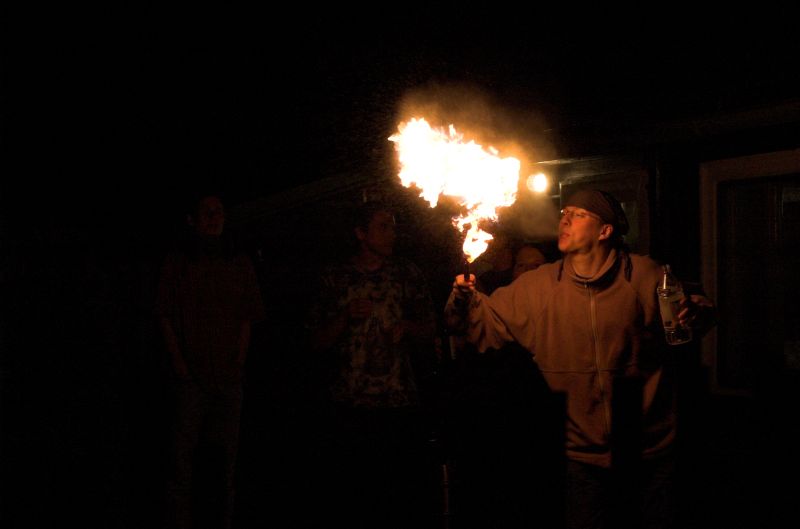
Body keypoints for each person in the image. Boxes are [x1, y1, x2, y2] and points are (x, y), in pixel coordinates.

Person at [445, 189, 716, 529]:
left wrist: (698, 311)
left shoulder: (643, 275)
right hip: (581, 452)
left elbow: (691, 312)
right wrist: (462, 299)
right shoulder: (538, 287)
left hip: (646, 445)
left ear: (605, 231)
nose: (565, 219)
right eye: (564, 212)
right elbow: (477, 324)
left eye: (578, 214)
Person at [306, 200, 440, 529]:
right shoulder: (336, 277)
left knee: (397, 497)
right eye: (383, 227)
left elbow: (431, 328)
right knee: (353, 498)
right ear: (361, 233)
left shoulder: (407, 273)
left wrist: (407, 327)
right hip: (349, 404)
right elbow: (314, 341)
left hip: (398, 403)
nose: (392, 233)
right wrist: (345, 316)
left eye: (393, 226)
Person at [155, 193, 265, 529]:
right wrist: (179, 363)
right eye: (207, 212)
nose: (214, 217)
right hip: (192, 376)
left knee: (225, 459)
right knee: (182, 459)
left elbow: (247, 314)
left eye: (219, 212)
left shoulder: (237, 261)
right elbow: (164, 314)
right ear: (192, 220)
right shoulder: (179, 262)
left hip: (227, 376)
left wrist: (239, 359)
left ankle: (220, 520)